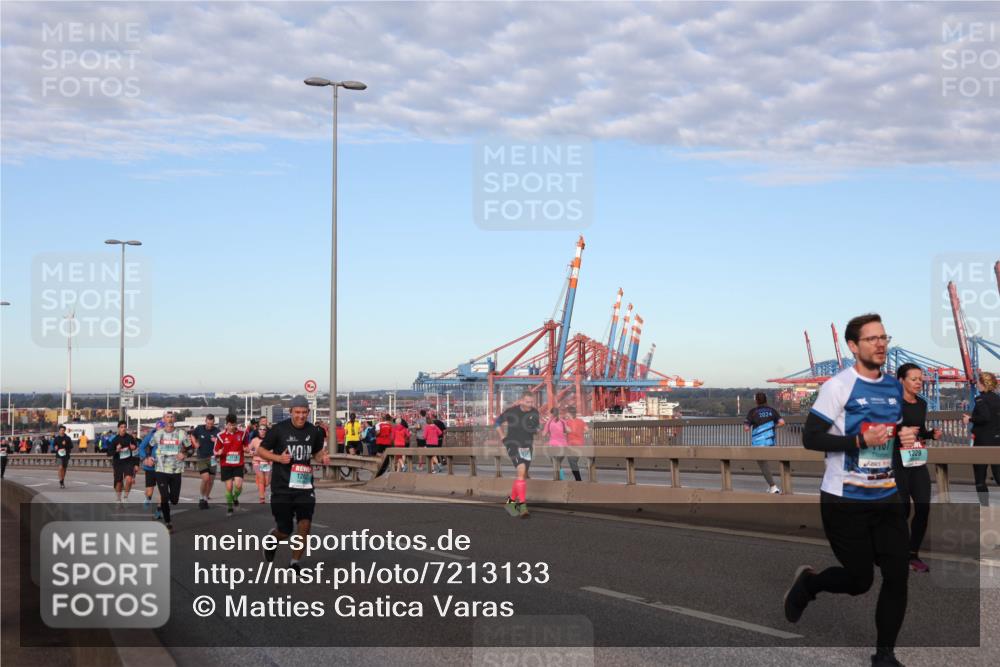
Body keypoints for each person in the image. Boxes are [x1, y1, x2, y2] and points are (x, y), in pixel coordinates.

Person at [783, 314, 917, 667]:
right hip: (844, 499)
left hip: (886, 496)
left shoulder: (893, 387)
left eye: (883, 337)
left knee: (898, 576)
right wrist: (858, 440)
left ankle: (885, 655)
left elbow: (890, 435)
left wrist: (904, 437)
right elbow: (811, 437)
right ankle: (809, 584)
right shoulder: (838, 386)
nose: (880, 344)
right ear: (853, 346)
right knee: (860, 581)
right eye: (872, 339)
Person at [257, 396, 329, 570]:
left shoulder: (314, 431)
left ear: (308, 412)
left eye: (304, 412)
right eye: (297, 412)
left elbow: (316, 453)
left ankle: (294, 563)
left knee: (305, 524)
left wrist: (322, 458)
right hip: (282, 488)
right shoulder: (279, 430)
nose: (301, 416)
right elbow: (261, 450)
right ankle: (272, 539)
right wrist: (278, 458)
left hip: (304, 487)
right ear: (290, 412)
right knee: (285, 530)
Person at [894, 363, 941, 573]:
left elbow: (919, 430)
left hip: (916, 459)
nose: (918, 382)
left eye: (920, 379)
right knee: (902, 509)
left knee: (923, 507)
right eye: (914, 379)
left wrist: (930, 434)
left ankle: (912, 555)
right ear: (901, 380)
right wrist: (901, 432)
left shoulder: (922, 403)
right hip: (896, 460)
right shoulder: (892, 404)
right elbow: (880, 431)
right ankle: (894, 551)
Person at [495, 391, 541, 518]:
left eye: (531, 402)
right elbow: (497, 422)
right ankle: (522, 506)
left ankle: (510, 503)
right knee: (521, 470)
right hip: (513, 445)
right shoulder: (511, 411)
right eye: (527, 402)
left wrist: (537, 430)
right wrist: (502, 437)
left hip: (527, 446)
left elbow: (536, 429)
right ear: (521, 400)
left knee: (522, 475)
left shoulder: (535, 412)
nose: (530, 404)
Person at [145, 411, 190, 531]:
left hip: (176, 470)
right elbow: (148, 447)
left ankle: (168, 506)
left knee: (174, 500)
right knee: (164, 497)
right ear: (164, 419)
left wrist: (184, 454)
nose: (170, 419)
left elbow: (190, 448)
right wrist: (149, 457)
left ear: (174, 419)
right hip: (161, 470)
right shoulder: (158, 434)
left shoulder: (181, 433)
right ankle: (168, 522)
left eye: (172, 417)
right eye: (167, 417)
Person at [964, 371, 1000, 507]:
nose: (977, 385)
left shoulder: (980, 399)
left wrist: (970, 419)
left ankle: (984, 506)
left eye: (978, 383)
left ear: (984, 384)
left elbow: (985, 417)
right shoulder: (998, 399)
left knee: (980, 477)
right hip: (997, 441)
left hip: (982, 442)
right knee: (998, 475)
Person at [743, 392, 786, 493]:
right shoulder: (772, 410)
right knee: (766, 463)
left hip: (758, 443)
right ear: (766, 400)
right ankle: (771, 485)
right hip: (770, 442)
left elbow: (746, 428)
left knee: (763, 464)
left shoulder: (753, 412)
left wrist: (748, 425)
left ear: (756, 401)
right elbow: (782, 422)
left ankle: (773, 486)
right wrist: (772, 426)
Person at [214, 414, 247, 515]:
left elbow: (246, 446)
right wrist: (218, 453)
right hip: (226, 464)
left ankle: (235, 497)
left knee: (238, 485)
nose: (232, 427)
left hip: (238, 464)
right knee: (229, 487)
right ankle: (229, 507)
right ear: (226, 424)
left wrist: (247, 449)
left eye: (234, 425)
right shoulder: (220, 436)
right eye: (230, 425)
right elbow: (215, 451)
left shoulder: (242, 433)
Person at [190, 414, 220, 510]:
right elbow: (192, 435)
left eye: (211, 423)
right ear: (205, 421)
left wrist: (216, 441)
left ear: (214, 422)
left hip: (213, 458)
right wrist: (195, 443)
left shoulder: (217, 431)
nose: (209, 425)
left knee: (211, 481)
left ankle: (205, 498)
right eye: (208, 423)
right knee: (206, 478)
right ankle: (201, 497)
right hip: (202, 458)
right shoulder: (199, 428)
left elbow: (222, 443)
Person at [544, 407, 580, 481]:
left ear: (551, 414)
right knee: (558, 462)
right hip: (563, 445)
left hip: (553, 446)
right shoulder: (563, 421)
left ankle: (560, 478)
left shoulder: (549, 422)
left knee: (555, 462)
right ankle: (561, 478)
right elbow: (569, 430)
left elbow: (543, 434)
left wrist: (549, 432)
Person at [138, 420, 164, 517]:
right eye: (158, 428)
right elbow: (141, 448)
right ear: (156, 428)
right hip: (150, 467)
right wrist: (146, 458)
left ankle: (159, 510)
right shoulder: (150, 436)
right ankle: (148, 498)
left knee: (163, 491)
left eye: (162, 428)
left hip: (163, 468)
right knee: (149, 491)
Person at [109, 420, 138, 505]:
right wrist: (117, 450)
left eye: (125, 427)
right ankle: (118, 498)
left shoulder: (130, 438)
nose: (123, 429)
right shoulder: (115, 440)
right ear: (118, 428)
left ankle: (125, 497)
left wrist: (136, 463)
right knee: (119, 482)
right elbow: (109, 453)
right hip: (118, 463)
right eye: (121, 427)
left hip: (128, 462)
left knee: (129, 480)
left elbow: (136, 450)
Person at [250, 423, 271, 503]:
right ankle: (262, 498)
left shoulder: (270, 440)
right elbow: (249, 449)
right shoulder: (254, 440)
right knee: (261, 479)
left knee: (267, 482)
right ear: (258, 430)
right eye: (260, 429)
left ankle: (260, 484)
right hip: (257, 462)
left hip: (267, 462)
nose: (262, 431)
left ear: (266, 431)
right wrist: (252, 452)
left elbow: (273, 451)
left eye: (264, 429)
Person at [564, 406, 587, 481]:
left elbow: (568, 431)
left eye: (566, 413)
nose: (565, 414)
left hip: (572, 445)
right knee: (573, 461)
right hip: (580, 444)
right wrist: (580, 432)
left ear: (569, 413)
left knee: (572, 461)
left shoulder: (567, 422)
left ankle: (578, 480)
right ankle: (578, 479)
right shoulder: (581, 421)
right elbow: (586, 429)